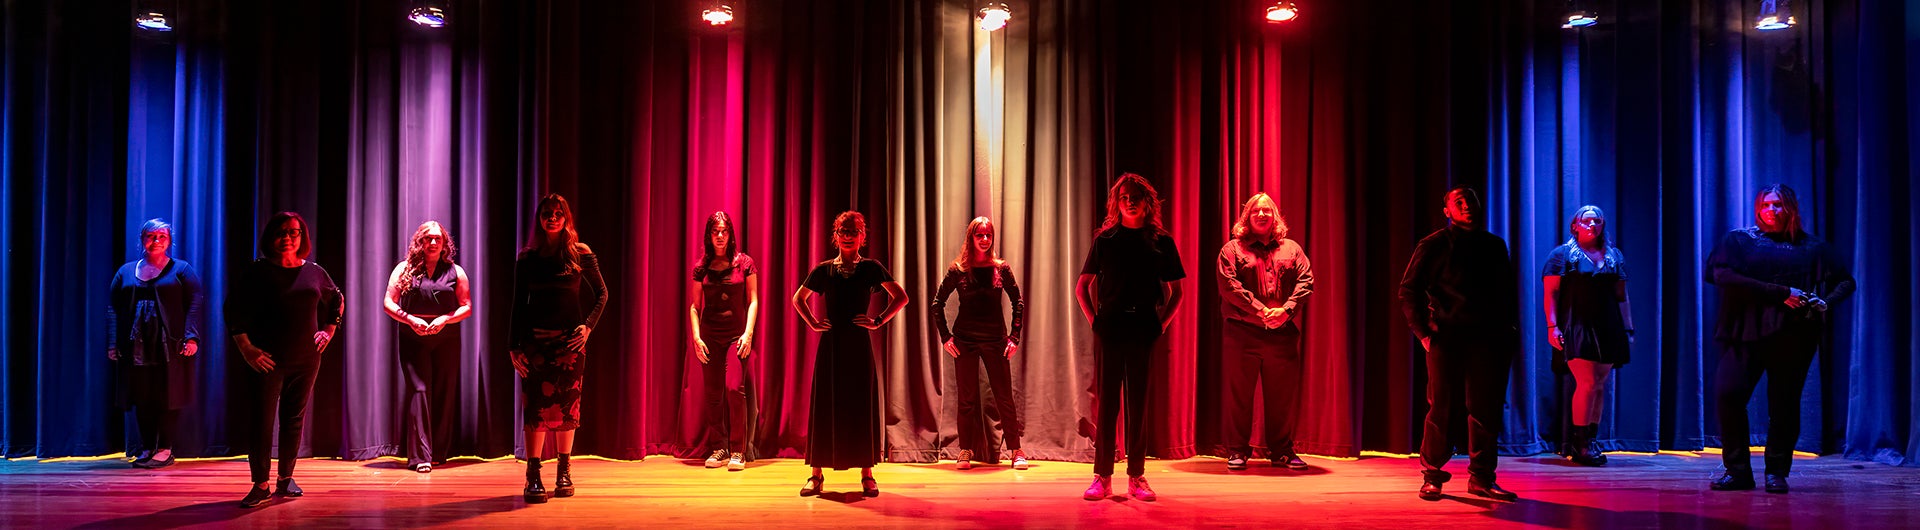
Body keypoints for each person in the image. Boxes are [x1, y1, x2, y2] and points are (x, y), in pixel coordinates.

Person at [1705, 184, 1853, 494]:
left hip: (1793, 335)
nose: (1772, 211)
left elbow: (1846, 281)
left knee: (1784, 406)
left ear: (1791, 208)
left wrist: (1825, 302)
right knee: (1729, 396)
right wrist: (1781, 293)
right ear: (1758, 208)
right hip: (1744, 332)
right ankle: (1738, 471)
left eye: (1778, 205)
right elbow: (1722, 275)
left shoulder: (1812, 247)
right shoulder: (1740, 241)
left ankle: (1776, 472)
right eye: (1766, 205)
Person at [1398, 186, 1519, 502]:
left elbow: (1507, 294)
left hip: (1489, 340)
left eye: (1471, 200)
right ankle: (1432, 476)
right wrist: (1423, 333)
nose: (1467, 206)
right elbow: (1408, 290)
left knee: (1485, 409)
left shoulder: (1494, 245)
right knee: (1442, 407)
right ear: (1447, 210)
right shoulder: (1434, 245)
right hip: (1447, 339)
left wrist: (1508, 332)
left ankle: (1481, 477)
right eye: (1459, 202)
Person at [1075, 173, 1185, 502]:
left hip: (1143, 327)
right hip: (1110, 327)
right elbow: (1082, 287)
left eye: (1136, 196)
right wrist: (1096, 320)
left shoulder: (1160, 242)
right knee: (1108, 403)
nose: (1130, 201)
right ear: (1117, 203)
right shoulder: (1106, 240)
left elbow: (1177, 291)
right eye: (1124, 197)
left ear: (1147, 202)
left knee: (1138, 402)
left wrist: (1162, 324)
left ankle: (1137, 475)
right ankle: (1102, 476)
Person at [227, 212, 344, 508]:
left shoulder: (314, 272)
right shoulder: (258, 272)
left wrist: (329, 329)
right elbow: (233, 309)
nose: (288, 238)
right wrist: (246, 348)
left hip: (306, 359)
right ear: (271, 237)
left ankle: (285, 479)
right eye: (281, 232)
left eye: (294, 233)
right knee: (262, 422)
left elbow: (336, 299)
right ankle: (261, 484)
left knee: (293, 420)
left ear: (302, 237)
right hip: (266, 360)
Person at [791, 211, 908, 498]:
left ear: (861, 236)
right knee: (825, 404)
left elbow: (901, 297)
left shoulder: (871, 268)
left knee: (860, 405)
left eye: (853, 231)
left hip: (858, 345)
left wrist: (878, 320)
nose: (847, 236)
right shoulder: (824, 270)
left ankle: (867, 474)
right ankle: (816, 475)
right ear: (836, 235)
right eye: (843, 231)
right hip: (831, 345)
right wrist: (814, 323)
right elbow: (798, 299)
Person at [509, 194, 608, 503]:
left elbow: (602, 294)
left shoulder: (579, 253)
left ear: (567, 218)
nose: (552, 218)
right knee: (535, 410)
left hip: (570, 346)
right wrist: (514, 346)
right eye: (546, 214)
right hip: (536, 344)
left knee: (568, 408)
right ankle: (533, 475)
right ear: (539, 219)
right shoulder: (528, 258)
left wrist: (588, 326)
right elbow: (518, 305)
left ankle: (564, 472)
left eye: (557, 213)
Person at [1216, 193, 1314, 471]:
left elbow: (1306, 281)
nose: (1261, 214)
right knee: (1239, 396)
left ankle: (1282, 451)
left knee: (1281, 398)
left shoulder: (1292, 249)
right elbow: (1229, 286)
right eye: (1256, 211)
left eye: (1267, 211)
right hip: (1241, 332)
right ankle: (1236, 451)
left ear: (1275, 217)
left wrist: (1286, 310)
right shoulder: (1231, 249)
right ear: (1247, 217)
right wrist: (1261, 310)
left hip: (1282, 334)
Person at [107, 218, 205, 470]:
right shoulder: (126, 271)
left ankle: (165, 448)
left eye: (162, 236)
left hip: (168, 344)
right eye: (151, 236)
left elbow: (195, 301)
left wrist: (191, 336)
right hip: (136, 344)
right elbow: (113, 307)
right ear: (142, 240)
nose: (156, 241)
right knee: (142, 396)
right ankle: (148, 446)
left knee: (168, 394)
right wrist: (112, 342)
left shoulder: (181, 269)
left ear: (169, 241)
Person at [931, 217, 1027, 471]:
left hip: (996, 339)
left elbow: (1018, 302)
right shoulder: (959, 270)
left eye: (988, 235)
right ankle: (965, 450)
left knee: (1004, 397)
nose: (984, 240)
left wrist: (1014, 337)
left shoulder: (1001, 268)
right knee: (967, 398)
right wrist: (946, 337)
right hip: (965, 341)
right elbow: (936, 304)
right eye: (980, 235)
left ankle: (1016, 450)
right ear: (971, 238)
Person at [1541, 205, 1634, 467]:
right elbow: (1551, 293)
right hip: (1577, 324)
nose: (1592, 226)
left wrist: (1628, 327)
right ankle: (1579, 443)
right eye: (1587, 221)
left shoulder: (1614, 254)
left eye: (1598, 222)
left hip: (1608, 325)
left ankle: (1590, 440)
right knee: (1587, 382)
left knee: (1600, 385)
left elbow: (1621, 295)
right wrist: (1552, 326)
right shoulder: (1562, 255)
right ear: (1575, 226)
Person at [382, 221, 472, 473]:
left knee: (444, 391)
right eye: (427, 239)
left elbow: (466, 305)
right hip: (413, 336)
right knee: (419, 391)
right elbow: (388, 301)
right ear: (419, 242)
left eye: (437, 239)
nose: (432, 243)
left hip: (446, 337)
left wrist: (446, 318)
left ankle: (438, 453)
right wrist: (409, 318)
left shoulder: (456, 271)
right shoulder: (404, 269)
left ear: (444, 244)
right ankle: (420, 456)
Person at [689, 211, 760, 472]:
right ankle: (719, 447)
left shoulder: (745, 263)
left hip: (736, 337)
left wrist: (748, 333)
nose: (720, 236)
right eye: (715, 231)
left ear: (730, 234)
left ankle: (738, 450)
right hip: (709, 337)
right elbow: (695, 307)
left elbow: (753, 300)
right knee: (713, 395)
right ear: (709, 235)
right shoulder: (701, 267)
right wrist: (696, 337)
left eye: (724, 231)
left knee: (733, 390)